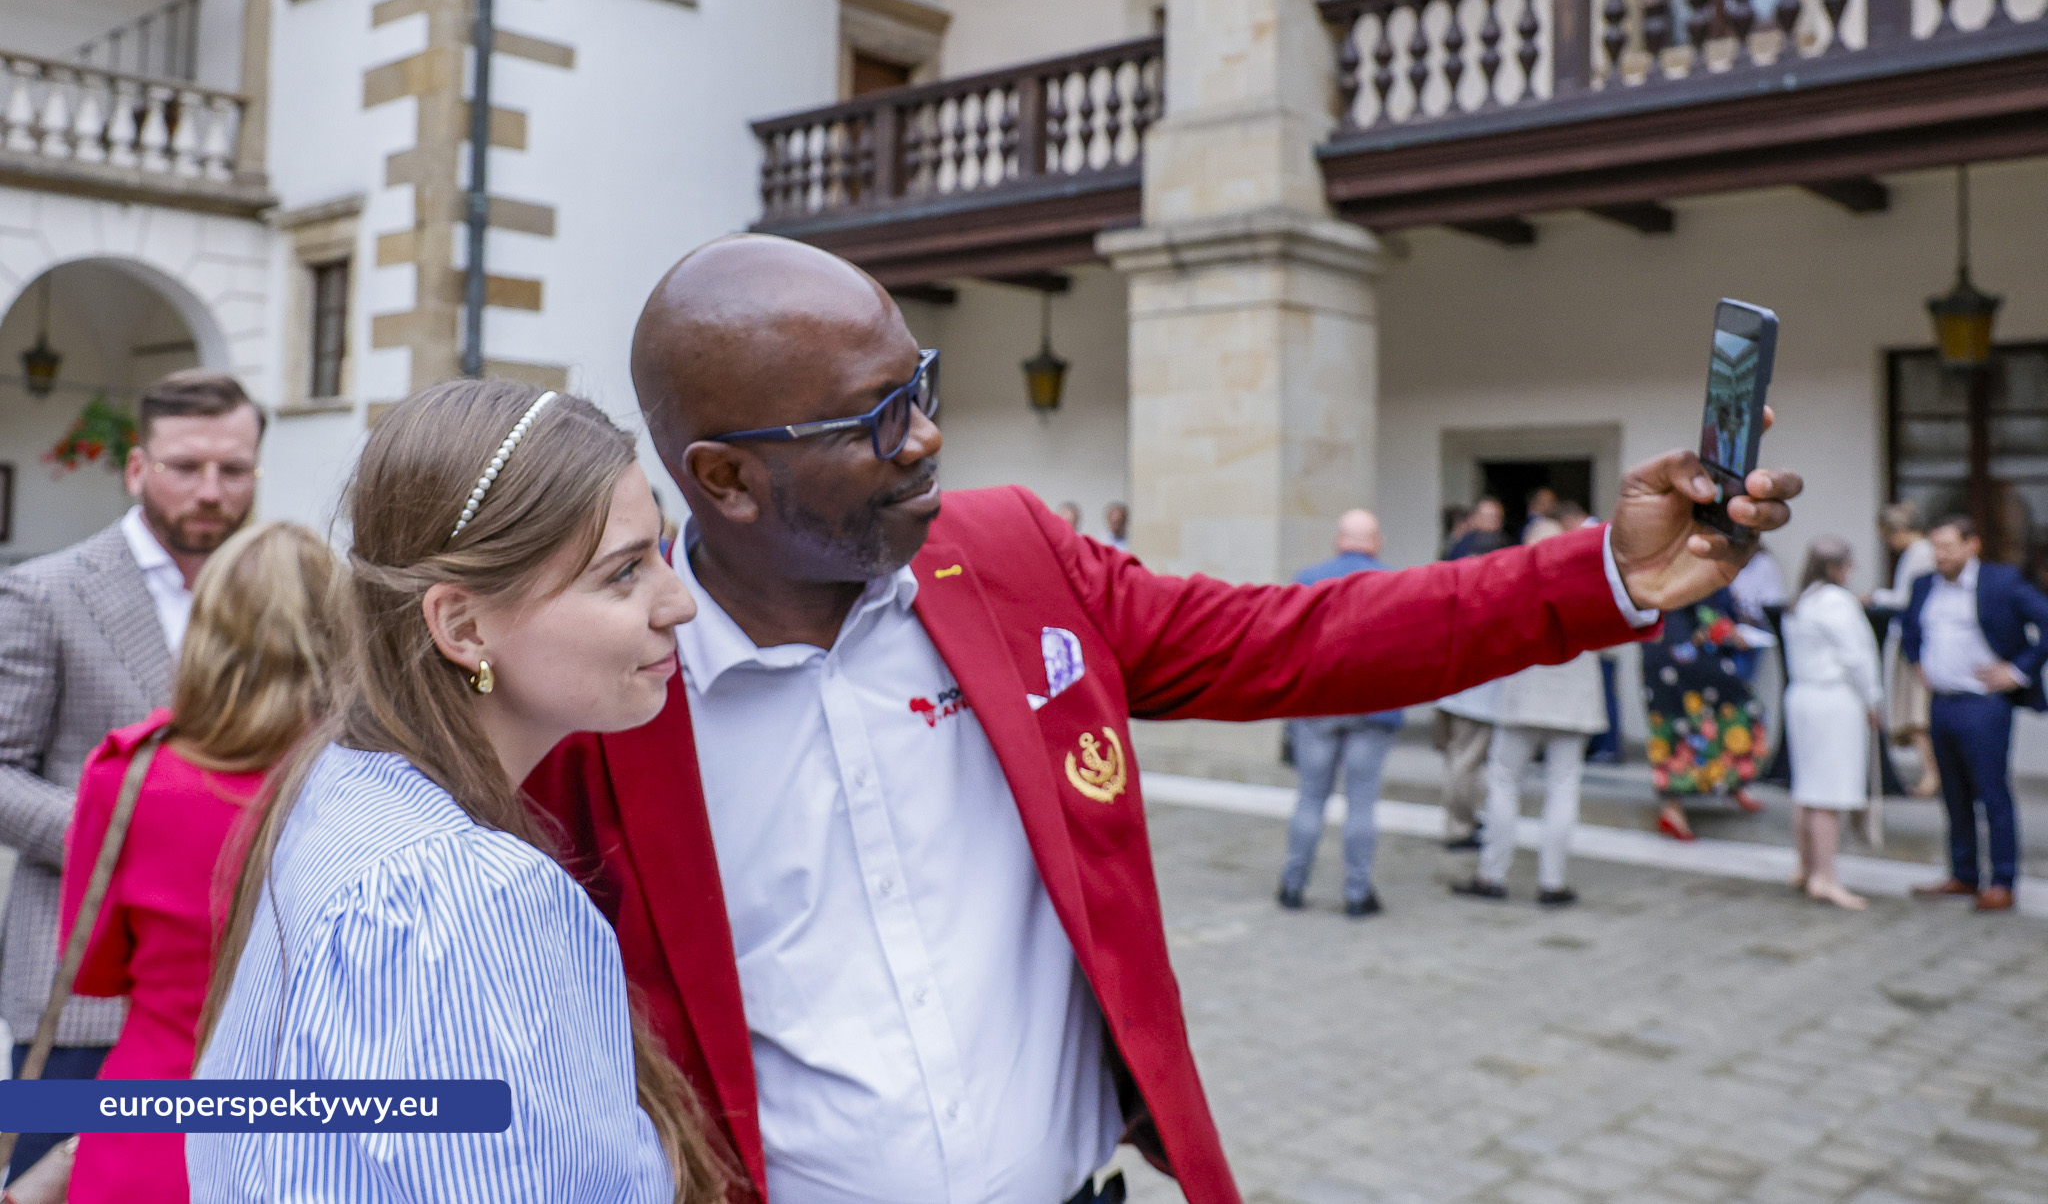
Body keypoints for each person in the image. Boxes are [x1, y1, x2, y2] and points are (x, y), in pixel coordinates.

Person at [524, 233, 1801, 1204]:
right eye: (875, 419)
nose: (924, 437)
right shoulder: (598, 704)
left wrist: (1602, 574)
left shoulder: (1010, 559)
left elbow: (1298, 641)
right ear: (727, 479)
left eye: (919, 384)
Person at [190, 382, 729, 1201]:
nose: (678, 603)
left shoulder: (347, 782)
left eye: (661, 550)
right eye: (623, 573)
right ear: (463, 626)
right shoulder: (457, 893)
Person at [0, 370, 261, 1181]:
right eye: (186, 466)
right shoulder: (46, 590)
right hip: (82, 991)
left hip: (240, 990)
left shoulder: (273, 599)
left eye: (233, 468)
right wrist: (125, 833)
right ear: (138, 467)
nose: (211, 490)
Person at [56, 522, 348, 1203]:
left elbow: (93, 968)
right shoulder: (373, 787)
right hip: (315, 1144)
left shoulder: (130, 774)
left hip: (151, 1128)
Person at [1450, 517, 1610, 907]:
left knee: (1504, 782)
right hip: (1572, 700)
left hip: (1523, 696)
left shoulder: (1516, 581)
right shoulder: (1587, 582)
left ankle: (1493, 874)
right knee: (1563, 787)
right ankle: (1552, 882)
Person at [1901, 515, 2048, 914]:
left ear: (1973, 545)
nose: (1940, 555)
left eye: (1948, 547)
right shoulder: (1924, 584)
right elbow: (1909, 628)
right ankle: (1964, 874)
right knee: (1953, 793)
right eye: (1935, 547)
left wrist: (2018, 671)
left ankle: (2002, 881)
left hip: (1983, 703)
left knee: (1992, 793)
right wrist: (1917, 662)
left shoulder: (2001, 582)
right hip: (1941, 702)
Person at [1277, 510, 1402, 917]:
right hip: (1374, 707)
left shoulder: (1307, 579)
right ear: (1376, 541)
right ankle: (1357, 893)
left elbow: (1287, 643)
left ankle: (1293, 886)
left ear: (1338, 540)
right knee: (1362, 802)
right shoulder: (1395, 583)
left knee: (1310, 797)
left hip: (1318, 704)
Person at [1779, 536, 1884, 912]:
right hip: (1833, 699)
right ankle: (1825, 876)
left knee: (1808, 788)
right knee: (1828, 792)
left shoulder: (1802, 600)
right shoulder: (1837, 602)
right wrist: (1872, 699)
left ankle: (1805, 865)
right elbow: (1857, 657)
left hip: (1803, 697)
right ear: (1838, 567)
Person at [1642, 585, 1771, 840]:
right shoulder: (1695, 566)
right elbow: (1703, 606)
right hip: (1683, 649)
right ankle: (1728, 783)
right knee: (1739, 708)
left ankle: (1688, 800)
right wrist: (1729, 632)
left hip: (1659, 646)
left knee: (1673, 722)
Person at [1870, 502, 1939, 796]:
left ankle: (1932, 775)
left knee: (1916, 712)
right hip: (1916, 639)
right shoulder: (1920, 552)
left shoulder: (1919, 553)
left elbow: (1906, 599)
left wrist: (1874, 597)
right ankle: (1934, 774)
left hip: (1915, 641)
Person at [1432, 679, 1495, 851]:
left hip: (1451, 695)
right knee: (1465, 765)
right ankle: (1459, 827)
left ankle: (1458, 822)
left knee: (1456, 761)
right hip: (1475, 703)